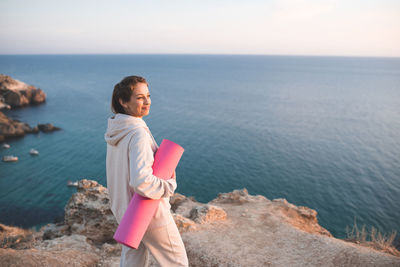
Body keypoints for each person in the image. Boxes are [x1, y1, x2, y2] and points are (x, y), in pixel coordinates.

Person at [105, 75, 188, 267]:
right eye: (140, 97)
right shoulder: (138, 134)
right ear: (123, 102)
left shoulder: (116, 130)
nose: (147, 101)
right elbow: (141, 181)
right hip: (148, 213)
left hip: (125, 212)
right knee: (177, 262)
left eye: (148, 96)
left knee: (132, 262)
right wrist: (169, 185)